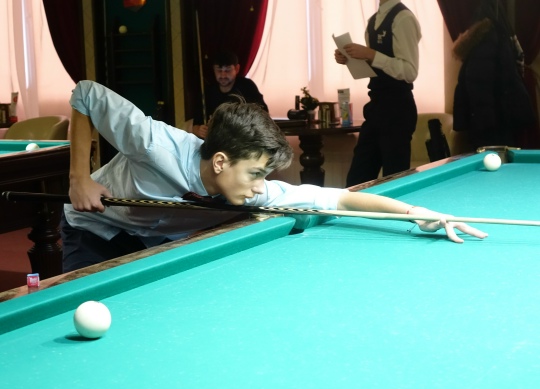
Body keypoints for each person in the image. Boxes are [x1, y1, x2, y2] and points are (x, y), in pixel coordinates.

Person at [63, 80, 487, 272]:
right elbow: (86, 94)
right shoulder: (156, 143)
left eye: (264, 175)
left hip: (152, 241)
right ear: (220, 162)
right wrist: (79, 178)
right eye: (254, 173)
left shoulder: (253, 190)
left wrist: (415, 213)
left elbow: (337, 199)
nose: (259, 186)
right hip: (95, 227)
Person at [334, 0, 421, 187]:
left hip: (398, 107)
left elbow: (409, 71)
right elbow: (378, 66)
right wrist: (350, 58)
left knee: (394, 179)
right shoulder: (373, 20)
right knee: (357, 180)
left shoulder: (403, 18)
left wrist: (370, 54)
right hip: (375, 105)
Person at [452, 0, 535, 149]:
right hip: (495, 124)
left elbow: (478, 85)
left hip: (486, 123)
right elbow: (482, 87)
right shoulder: (493, 39)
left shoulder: (478, 43)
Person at [192, 50, 268, 139]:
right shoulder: (208, 91)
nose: (223, 75)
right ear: (214, 70)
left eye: (227, 70)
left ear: (237, 69)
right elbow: (195, 127)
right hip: (218, 140)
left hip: (243, 138)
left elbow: (264, 115)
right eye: (219, 70)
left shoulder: (247, 87)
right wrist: (199, 130)